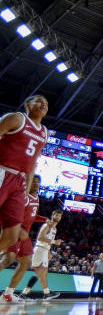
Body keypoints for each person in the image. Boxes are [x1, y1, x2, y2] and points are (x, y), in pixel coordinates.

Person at [0, 95, 48, 252]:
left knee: (12, 235)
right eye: (39, 101)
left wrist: (26, 190)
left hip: (20, 182)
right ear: (27, 105)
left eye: (46, 103)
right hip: (3, 171)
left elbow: (33, 162)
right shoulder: (15, 118)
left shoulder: (44, 133)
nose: (43, 104)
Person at [1, 175, 47, 303]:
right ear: (28, 183)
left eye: (38, 182)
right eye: (33, 182)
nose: (36, 184)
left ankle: (8, 294)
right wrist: (18, 229)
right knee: (8, 259)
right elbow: (7, 211)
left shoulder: (36, 198)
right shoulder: (24, 197)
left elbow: (32, 215)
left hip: (24, 235)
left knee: (26, 263)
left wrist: (44, 219)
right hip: (15, 231)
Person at [19, 209, 63, 300]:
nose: (58, 217)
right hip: (40, 249)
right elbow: (40, 238)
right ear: (53, 215)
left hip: (44, 250)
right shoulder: (47, 225)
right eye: (57, 215)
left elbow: (48, 242)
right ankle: (24, 294)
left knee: (43, 273)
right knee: (40, 272)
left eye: (60, 216)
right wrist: (55, 241)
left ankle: (46, 293)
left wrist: (49, 252)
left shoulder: (54, 229)